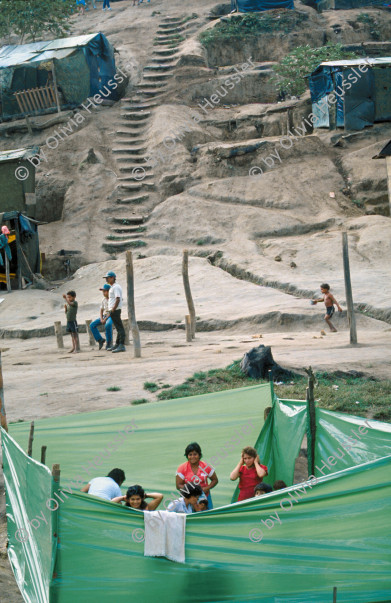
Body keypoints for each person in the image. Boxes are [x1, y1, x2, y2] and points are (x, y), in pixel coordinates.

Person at [176, 442, 218, 509]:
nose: (193, 457)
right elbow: (178, 485)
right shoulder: (182, 468)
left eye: (195, 454)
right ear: (187, 456)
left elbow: (215, 480)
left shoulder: (206, 466)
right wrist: (192, 491)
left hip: (205, 497)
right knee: (190, 517)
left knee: (207, 516)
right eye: (190, 454)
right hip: (189, 498)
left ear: (199, 455)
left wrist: (207, 488)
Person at [103, 271, 126, 352]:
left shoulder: (116, 287)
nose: (106, 280)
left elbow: (118, 298)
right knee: (118, 327)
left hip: (115, 310)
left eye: (108, 278)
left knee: (120, 328)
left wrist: (113, 309)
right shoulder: (113, 287)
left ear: (112, 278)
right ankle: (117, 344)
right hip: (113, 310)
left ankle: (121, 345)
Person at [89, 284, 113, 350]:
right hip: (104, 316)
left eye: (105, 291)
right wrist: (102, 318)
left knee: (107, 325)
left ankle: (109, 343)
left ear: (109, 291)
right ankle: (100, 340)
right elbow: (101, 310)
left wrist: (105, 319)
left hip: (111, 316)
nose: (104, 293)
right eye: (103, 292)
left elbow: (111, 312)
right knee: (92, 325)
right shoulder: (104, 300)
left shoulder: (112, 300)